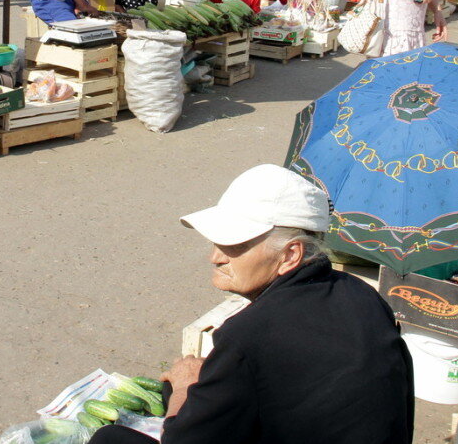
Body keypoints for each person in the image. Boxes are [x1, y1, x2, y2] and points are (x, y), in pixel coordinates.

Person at [88, 164, 415, 444]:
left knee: (109, 439)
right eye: (217, 241)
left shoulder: (249, 334)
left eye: (236, 244)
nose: (215, 256)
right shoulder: (363, 296)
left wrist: (187, 386)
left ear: (290, 255)